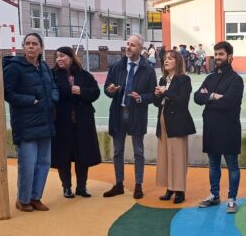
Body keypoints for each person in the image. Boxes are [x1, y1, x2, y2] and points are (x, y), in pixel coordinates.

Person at [3, 32, 59, 212]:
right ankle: (23, 199)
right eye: (28, 43)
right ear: (23, 47)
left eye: (35, 43)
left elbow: (54, 86)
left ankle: (36, 197)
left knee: (44, 162)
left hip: (46, 122)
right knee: (27, 164)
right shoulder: (14, 68)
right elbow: (7, 93)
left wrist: (53, 98)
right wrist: (30, 101)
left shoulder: (44, 67)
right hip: (26, 123)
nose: (31, 46)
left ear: (41, 47)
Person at [103, 34, 156, 199]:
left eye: (132, 45)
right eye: (127, 44)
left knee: (138, 152)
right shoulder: (116, 66)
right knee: (117, 151)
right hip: (118, 114)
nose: (128, 47)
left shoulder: (148, 69)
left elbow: (153, 95)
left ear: (140, 49)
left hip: (136, 114)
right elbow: (107, 87)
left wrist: (140, 97)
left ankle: (138, 185)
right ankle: (119, 184)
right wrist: (110, 90)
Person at [194, 41, 244, 213]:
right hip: (211, 128)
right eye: (215, 54)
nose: (217, 58)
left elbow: (228, 103)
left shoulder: (236, 80)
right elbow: (196, 97)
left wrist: (208, 98)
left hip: (229, 129)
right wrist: (214, 96)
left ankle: (232, 199)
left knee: (232, 166)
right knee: (213, 165)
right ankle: (214, 196)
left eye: (221, 54)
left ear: (230, 57)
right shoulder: (210, 78)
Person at [51, 46, 101, 199]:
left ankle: (82, 187)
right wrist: (69, 89)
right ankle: (67, 187)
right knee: (63, 157)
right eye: (57, 56)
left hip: (82, 123)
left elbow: (95, 92)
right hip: (62, 124)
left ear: (71, 57)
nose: (59, 59)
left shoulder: (84, 75)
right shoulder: (52, 75)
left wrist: (81, 91)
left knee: (82, 156)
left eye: (62, 56)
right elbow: (52, 93)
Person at [153, 49, 196, 204]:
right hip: (163, 120)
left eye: (170, 58)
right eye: (165, 58)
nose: (166, 61)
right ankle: (170, 187)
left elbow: (183, 101)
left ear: (177, 62)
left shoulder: (183, 79)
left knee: (177, 156)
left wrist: (166, 93)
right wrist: (157, 95)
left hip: (177, 122)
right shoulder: (163, 80)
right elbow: (158, 103)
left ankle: (179, 190)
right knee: (165, 155)